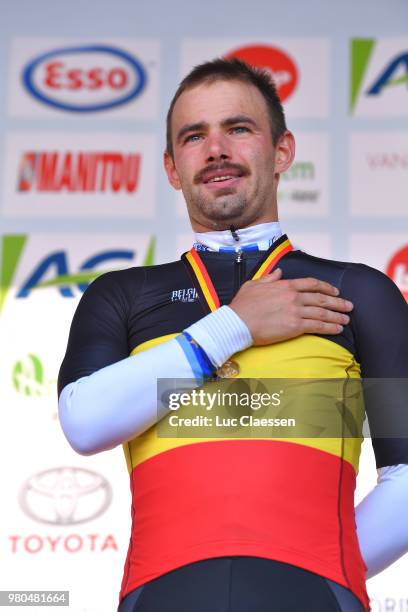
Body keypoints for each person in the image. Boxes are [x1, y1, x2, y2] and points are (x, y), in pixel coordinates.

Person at [58, 59, 408, 612]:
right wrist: (232, 327)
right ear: (173, 169)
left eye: (238, 129)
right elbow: (84, 421)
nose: (216, 149)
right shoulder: (122, 294)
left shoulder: (359, 293)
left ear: (283, 151)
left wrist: (320, 564)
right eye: (195, 136)